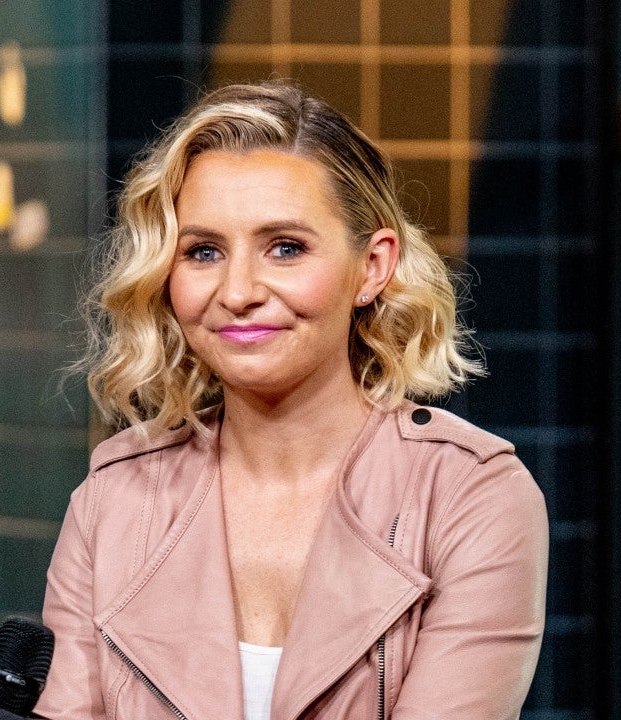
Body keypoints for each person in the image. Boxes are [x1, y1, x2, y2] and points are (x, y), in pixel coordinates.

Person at [36, 80, 549, 720]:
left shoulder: (470, 496)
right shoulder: (112, 501)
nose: (238, 291)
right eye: (203, 251)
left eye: (285, 248)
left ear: (373, 266)